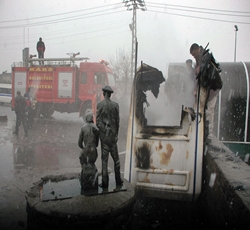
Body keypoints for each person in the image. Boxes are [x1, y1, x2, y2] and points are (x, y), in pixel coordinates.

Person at [190, 43, 223, 143]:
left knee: (209, 111)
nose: (194, 56)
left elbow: (207, 76)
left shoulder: (206, 59)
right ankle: (201, 131)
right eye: (193, 55)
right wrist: (195, 89)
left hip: (213, 89)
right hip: (205, 88)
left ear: (198, 49)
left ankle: (208, 135)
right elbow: (198, 79)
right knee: (201, 109)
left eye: (194, 54)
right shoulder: (199, 61)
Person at [96, 85, 123, 188]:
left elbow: (98, 122)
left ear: (104, 94)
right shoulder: (116, 105)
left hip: (105, 138)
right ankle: (118, 180)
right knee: (116, 160)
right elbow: (117, 122)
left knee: (104, 161)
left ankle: (105, 182)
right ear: (110, 95)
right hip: (113, 137)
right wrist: (115, 134)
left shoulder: (100, 105)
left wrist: (104, 130)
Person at [78, 112, 99, 191]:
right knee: (92, 163)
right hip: (93, 150)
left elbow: (79, 142)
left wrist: (83, 147)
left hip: (86, 149)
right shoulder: (96, 128)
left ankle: (85, 177)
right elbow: (97, 143)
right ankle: (92, 179)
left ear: (86, 118)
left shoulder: (83, 128)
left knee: (82, 159)